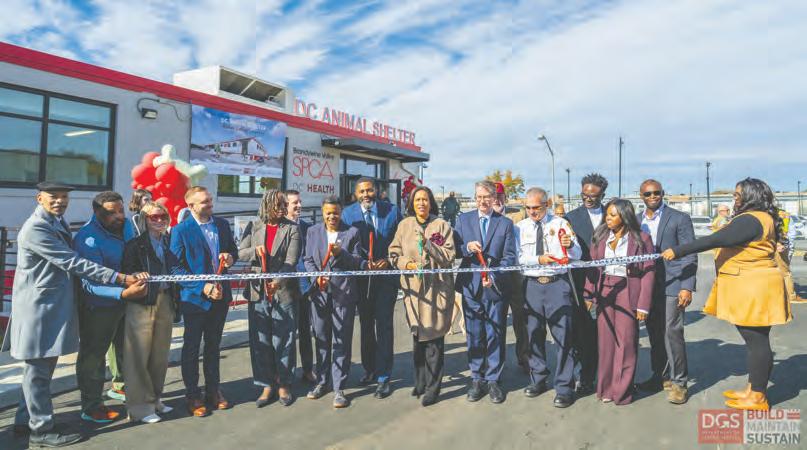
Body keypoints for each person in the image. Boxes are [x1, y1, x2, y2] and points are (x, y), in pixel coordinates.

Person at [12, 182, 143, 448]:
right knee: (38, 372)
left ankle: (26, 420)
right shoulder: (37, 228)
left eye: (64, 197)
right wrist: (119, 278)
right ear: (39, 198)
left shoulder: (56, 221)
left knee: (39, 372)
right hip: (39, 309)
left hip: (50, 307)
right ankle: (41, 431)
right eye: (53, 197)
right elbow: (73, 262)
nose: (60, 201)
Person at [662, 178, 792, 411]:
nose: (734, 197)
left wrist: (678, 250)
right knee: (756, 340)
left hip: (753, 285)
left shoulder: (750, 219)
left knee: (757, 341)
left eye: (737, 194)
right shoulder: (761, 217)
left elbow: (716, 239)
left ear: (750, 196)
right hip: (757, 283)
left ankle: (758, 397)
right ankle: (754, 389)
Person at [74, 191, 145, 424]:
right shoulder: (87, 239)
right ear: (96, 212)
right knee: (94, 355)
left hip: (126, 300)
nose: (119, 216)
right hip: (99, 305)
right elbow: (89, 284)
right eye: (111, 213)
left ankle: (120, 385)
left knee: (123, 347)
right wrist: (122, 292)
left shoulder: (126, 226)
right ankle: (91, 405)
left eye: (121, 210)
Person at [169, 186, 238, 417]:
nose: (210, 204)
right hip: (195, 300)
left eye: (210, 200)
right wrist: (203, 287)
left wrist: (230, 258)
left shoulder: (222, 225)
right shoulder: (180, 231)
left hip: (220, 298)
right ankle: (192, 395)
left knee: (213, 346)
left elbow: (233, 251)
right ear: (191, 206)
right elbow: (175, 269)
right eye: (205, 202)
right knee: (191, 348)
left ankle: (213, 391)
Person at [388, 186, 456, 407]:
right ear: (412, 203)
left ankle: (433, 388)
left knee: (434, 340)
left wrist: (429, 245)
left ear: (431, 202)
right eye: (417, 200)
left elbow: (449, 256)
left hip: (437, 290)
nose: (421, 203)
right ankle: (420, 381)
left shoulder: (442, 225)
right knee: (418, 338)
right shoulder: (404, 225)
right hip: (413, 291)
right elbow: (393, 254)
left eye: (425, 199)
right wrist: (407, 264)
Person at [584, 198, 656, 405]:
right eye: (607, 214)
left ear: (625, 216)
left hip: (628, 289)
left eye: (613, 215)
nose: (608, 218)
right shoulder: (600, 236)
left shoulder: (642, 239)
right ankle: (606, 389)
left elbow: (649, 273)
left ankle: (622, 392)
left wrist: (643, 305)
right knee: (605, 342)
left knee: (626, 342)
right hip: (604, 290)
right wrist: (589, 294)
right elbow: (592, 266)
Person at [515, 187, 581, 408]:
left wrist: (570, 246)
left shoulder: (561, 224)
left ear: (547, 204)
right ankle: (538, 378)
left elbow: (577, 255)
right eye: (528, 208)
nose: (532, 211)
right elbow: (517, 257)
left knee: (563, 337)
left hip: (557, 285)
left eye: (537, 207)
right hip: (532, 285)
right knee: (533, 334)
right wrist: (539, 260)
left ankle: (564, 387)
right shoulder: (520, 228)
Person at [454, 180, 518, 404]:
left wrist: (494, 275)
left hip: (495, 287)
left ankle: (493, 380)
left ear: (494, 199)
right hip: (471, 286)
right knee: (474, 333)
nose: (482, 201)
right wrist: (467, 248)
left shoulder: (505, 224)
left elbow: (510, 257)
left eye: (487, 197)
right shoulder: (463, 220)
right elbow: (455, 250)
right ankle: (477, 378)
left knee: (495, 333)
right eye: (479, 197)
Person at [635, 180, 697, 405]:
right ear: (641, 196)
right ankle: (660, 376)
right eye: (648, 194)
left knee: (673, 332)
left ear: (663, 193)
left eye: (657, 193)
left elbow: (690, 253)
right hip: (648, 286)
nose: (653, 196)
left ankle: (680, 383)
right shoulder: (636, 220)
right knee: (654, 332)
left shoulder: (679, 218)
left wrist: (686, 286)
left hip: (673, 283)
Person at [238, 190, 301, 407]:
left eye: (284, 204)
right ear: (267, 205)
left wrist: (277, 281)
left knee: (284, 340)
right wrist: (255, 252)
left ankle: (284, 383)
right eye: (279, 205)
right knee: (261, 341)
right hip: (258, 292)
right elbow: (240, 253)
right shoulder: (254, 226)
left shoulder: (292, 228)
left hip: (283, 291)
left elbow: (291, 261)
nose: (283, 208)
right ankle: (266, 384)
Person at [341, 177, 401, 398]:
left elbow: (400, 242)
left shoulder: (392, 211)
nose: (366, 194)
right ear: (356, 194)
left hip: (385, 278)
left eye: (369, 190)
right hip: (361, 279)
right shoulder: (347, 214)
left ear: (376, 191)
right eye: (362, 191)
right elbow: (345, 245)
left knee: (384, 326)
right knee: (366, 326)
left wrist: (389, 259)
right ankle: (370, 369)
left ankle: (384, 376)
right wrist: (361, 263)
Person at [120, 201, 180, 424]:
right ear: (144, 220)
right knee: (138, 356)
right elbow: (126, 271)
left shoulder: (168, 241)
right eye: (154, 217)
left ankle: (155, 399)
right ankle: (139, 408)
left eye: (163, 216)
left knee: (159, 356)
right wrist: (137, 274)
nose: (159, 220)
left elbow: (177, 269)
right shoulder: (135, 245)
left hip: (165, 300)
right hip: (142, 302)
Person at [303, 196, 363, 408]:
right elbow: (307, 259)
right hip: (319, 295)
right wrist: (315, 276)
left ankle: (339, 388)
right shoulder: (313, 232)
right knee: (321, 338)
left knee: (341, 341)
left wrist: (341, 253)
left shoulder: (352, 232)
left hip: (343, 294)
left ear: (341, 212)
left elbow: (357, 261)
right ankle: (322, 382)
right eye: (328, 213)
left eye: (335, 212)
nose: (332, 216)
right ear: (322, 212)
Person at [565, 173, 609, 395]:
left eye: (593, 195)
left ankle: (608, 376)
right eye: (584, 194)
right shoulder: (570, 218)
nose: (588, 199)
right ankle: (585, 377)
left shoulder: (612, 215)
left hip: (610, 282)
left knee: (607, 332)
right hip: (580, 284)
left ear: (602, 195)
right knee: (583, 333)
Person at [285, 189, 316, 383]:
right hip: (285, 287)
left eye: (300, 202)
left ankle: (307, 369)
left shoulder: (308, 228)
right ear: (285, 205)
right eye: (294, 202)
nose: (299, 205)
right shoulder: (280, 227)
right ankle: (286, 374)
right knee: (287, 333)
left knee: (305, 330)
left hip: (305, 287)